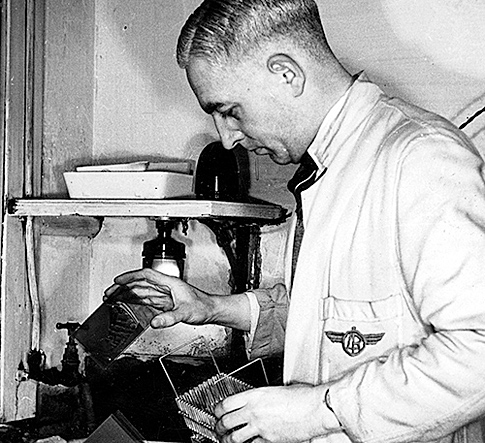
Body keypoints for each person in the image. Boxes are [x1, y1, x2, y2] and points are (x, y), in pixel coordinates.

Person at [105, 1, 485, 442]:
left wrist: (320, 412)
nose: (227, 139)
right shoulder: (332, 165)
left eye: (229, 111)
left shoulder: (418, 157)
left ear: (287, 73)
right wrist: (210, 307)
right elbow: (343, 317)